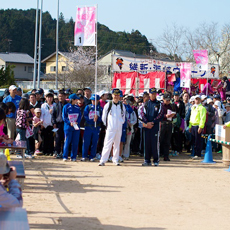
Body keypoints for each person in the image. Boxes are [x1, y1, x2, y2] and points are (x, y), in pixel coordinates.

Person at [98, 88, 126, 166]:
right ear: (112, 95)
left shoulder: (121, 105)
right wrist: (107, 125)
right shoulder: (108, 105)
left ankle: (115, 159)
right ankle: (103, 160)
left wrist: (120, 123)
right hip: (110, 127)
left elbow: (123, 116)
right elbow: (104, 117)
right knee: (107, 143)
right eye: (115, 95)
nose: (116, 97)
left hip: (119, 127)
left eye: (117, 95)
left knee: (117, 144)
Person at [139, 87, 164, 166]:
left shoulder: (159, 104)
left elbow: (160, 115)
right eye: (151, 94)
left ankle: (156, 160)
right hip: (147, 127)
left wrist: (152, 122)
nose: (153, 95)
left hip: (155, 127)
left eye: (154, 94)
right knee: (147, 143)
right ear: (149, 94)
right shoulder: (145, 104)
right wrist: (147, 123)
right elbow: (142, 114)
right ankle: (147, 160)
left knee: (155, 144)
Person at [82, 94, 103, 162]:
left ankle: (92, 156)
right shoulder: (88, 107)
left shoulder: (100, 108)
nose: (94, 102)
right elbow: (85, 116)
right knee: (86, 142)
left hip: (96, 127)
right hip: (88, 127)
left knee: (94, 142)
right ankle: (84, 156)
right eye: (92, 100)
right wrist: (91, 119)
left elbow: (103, 118)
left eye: (95, 100)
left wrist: (98, 119)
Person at [62, 94, 81, 162]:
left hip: (76, 127)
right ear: (72, 100)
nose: (77, 101)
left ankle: (73, 157)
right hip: (68, 127)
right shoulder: (66, 107)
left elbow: (79, 117)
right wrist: (69, 122)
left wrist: (77, 122)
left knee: (75, 142)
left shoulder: (77, 107)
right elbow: (64, 117)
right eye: (76, 99)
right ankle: (65, 156)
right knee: (67, 142)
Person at [189, 95, 207, 159]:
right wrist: (190, 126)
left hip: (198, 126)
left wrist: (201, 126)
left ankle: (198, 154)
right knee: (194, 140)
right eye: (196, 99)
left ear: (200, 100)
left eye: (198, 99)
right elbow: (191, 117)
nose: (197, 100)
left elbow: (203, 118)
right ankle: (194, 153)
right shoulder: (193, 107)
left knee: (198, 140)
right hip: (193, 125)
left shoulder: (202, 108)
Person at [160, 93, 176, 161]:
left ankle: (166, 156)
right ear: (163, 99)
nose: (168, 101)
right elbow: (158, 115)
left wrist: (172, 115)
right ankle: (159, 154)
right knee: (161, 140)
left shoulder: (172, 106)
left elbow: (175, 114)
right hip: (162, 123)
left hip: (169, 124)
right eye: (166, 100)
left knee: (167, 140)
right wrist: (165, 116)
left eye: (169, 100)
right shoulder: (161, 106)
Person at [52, 90, 67, 159]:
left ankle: (64, 153)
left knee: (65, 139)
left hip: (66, 124)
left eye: (62, 96)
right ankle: (58, 153)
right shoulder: (56, 105)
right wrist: (54, 123)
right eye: (59, 96)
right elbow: (53, 115)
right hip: (58, 124)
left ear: (65, 97)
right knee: (58, 139)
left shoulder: (67, 105)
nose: (60, 98)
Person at [41, 92, 54, 156]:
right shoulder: (43, 105)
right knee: (45, 138)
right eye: (48, 97)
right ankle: (45, 151)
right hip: (45, 124)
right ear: (46, 98)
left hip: (52, 124)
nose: (49, 99)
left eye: (51, 97)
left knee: (51, 138)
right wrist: (42, 123)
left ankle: (51, 151)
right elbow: (42, 115)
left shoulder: (54, 105)